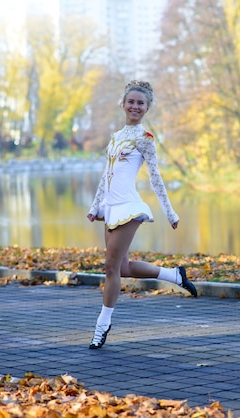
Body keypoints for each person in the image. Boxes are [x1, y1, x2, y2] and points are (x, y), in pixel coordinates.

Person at [86, 80, 198, 350]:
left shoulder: (145, 139)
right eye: (131, 102)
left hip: (128, 208)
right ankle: (174, 276)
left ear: (147, 108)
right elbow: (106, 175)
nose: (135, 106)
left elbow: (156, 178)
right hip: (110, 208)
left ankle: (102, 326)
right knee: (122, 268)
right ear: (123, 104)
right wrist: (94, 206)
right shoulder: (115, 137)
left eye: (140, 103)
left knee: (110, 268)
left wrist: (170, 213)